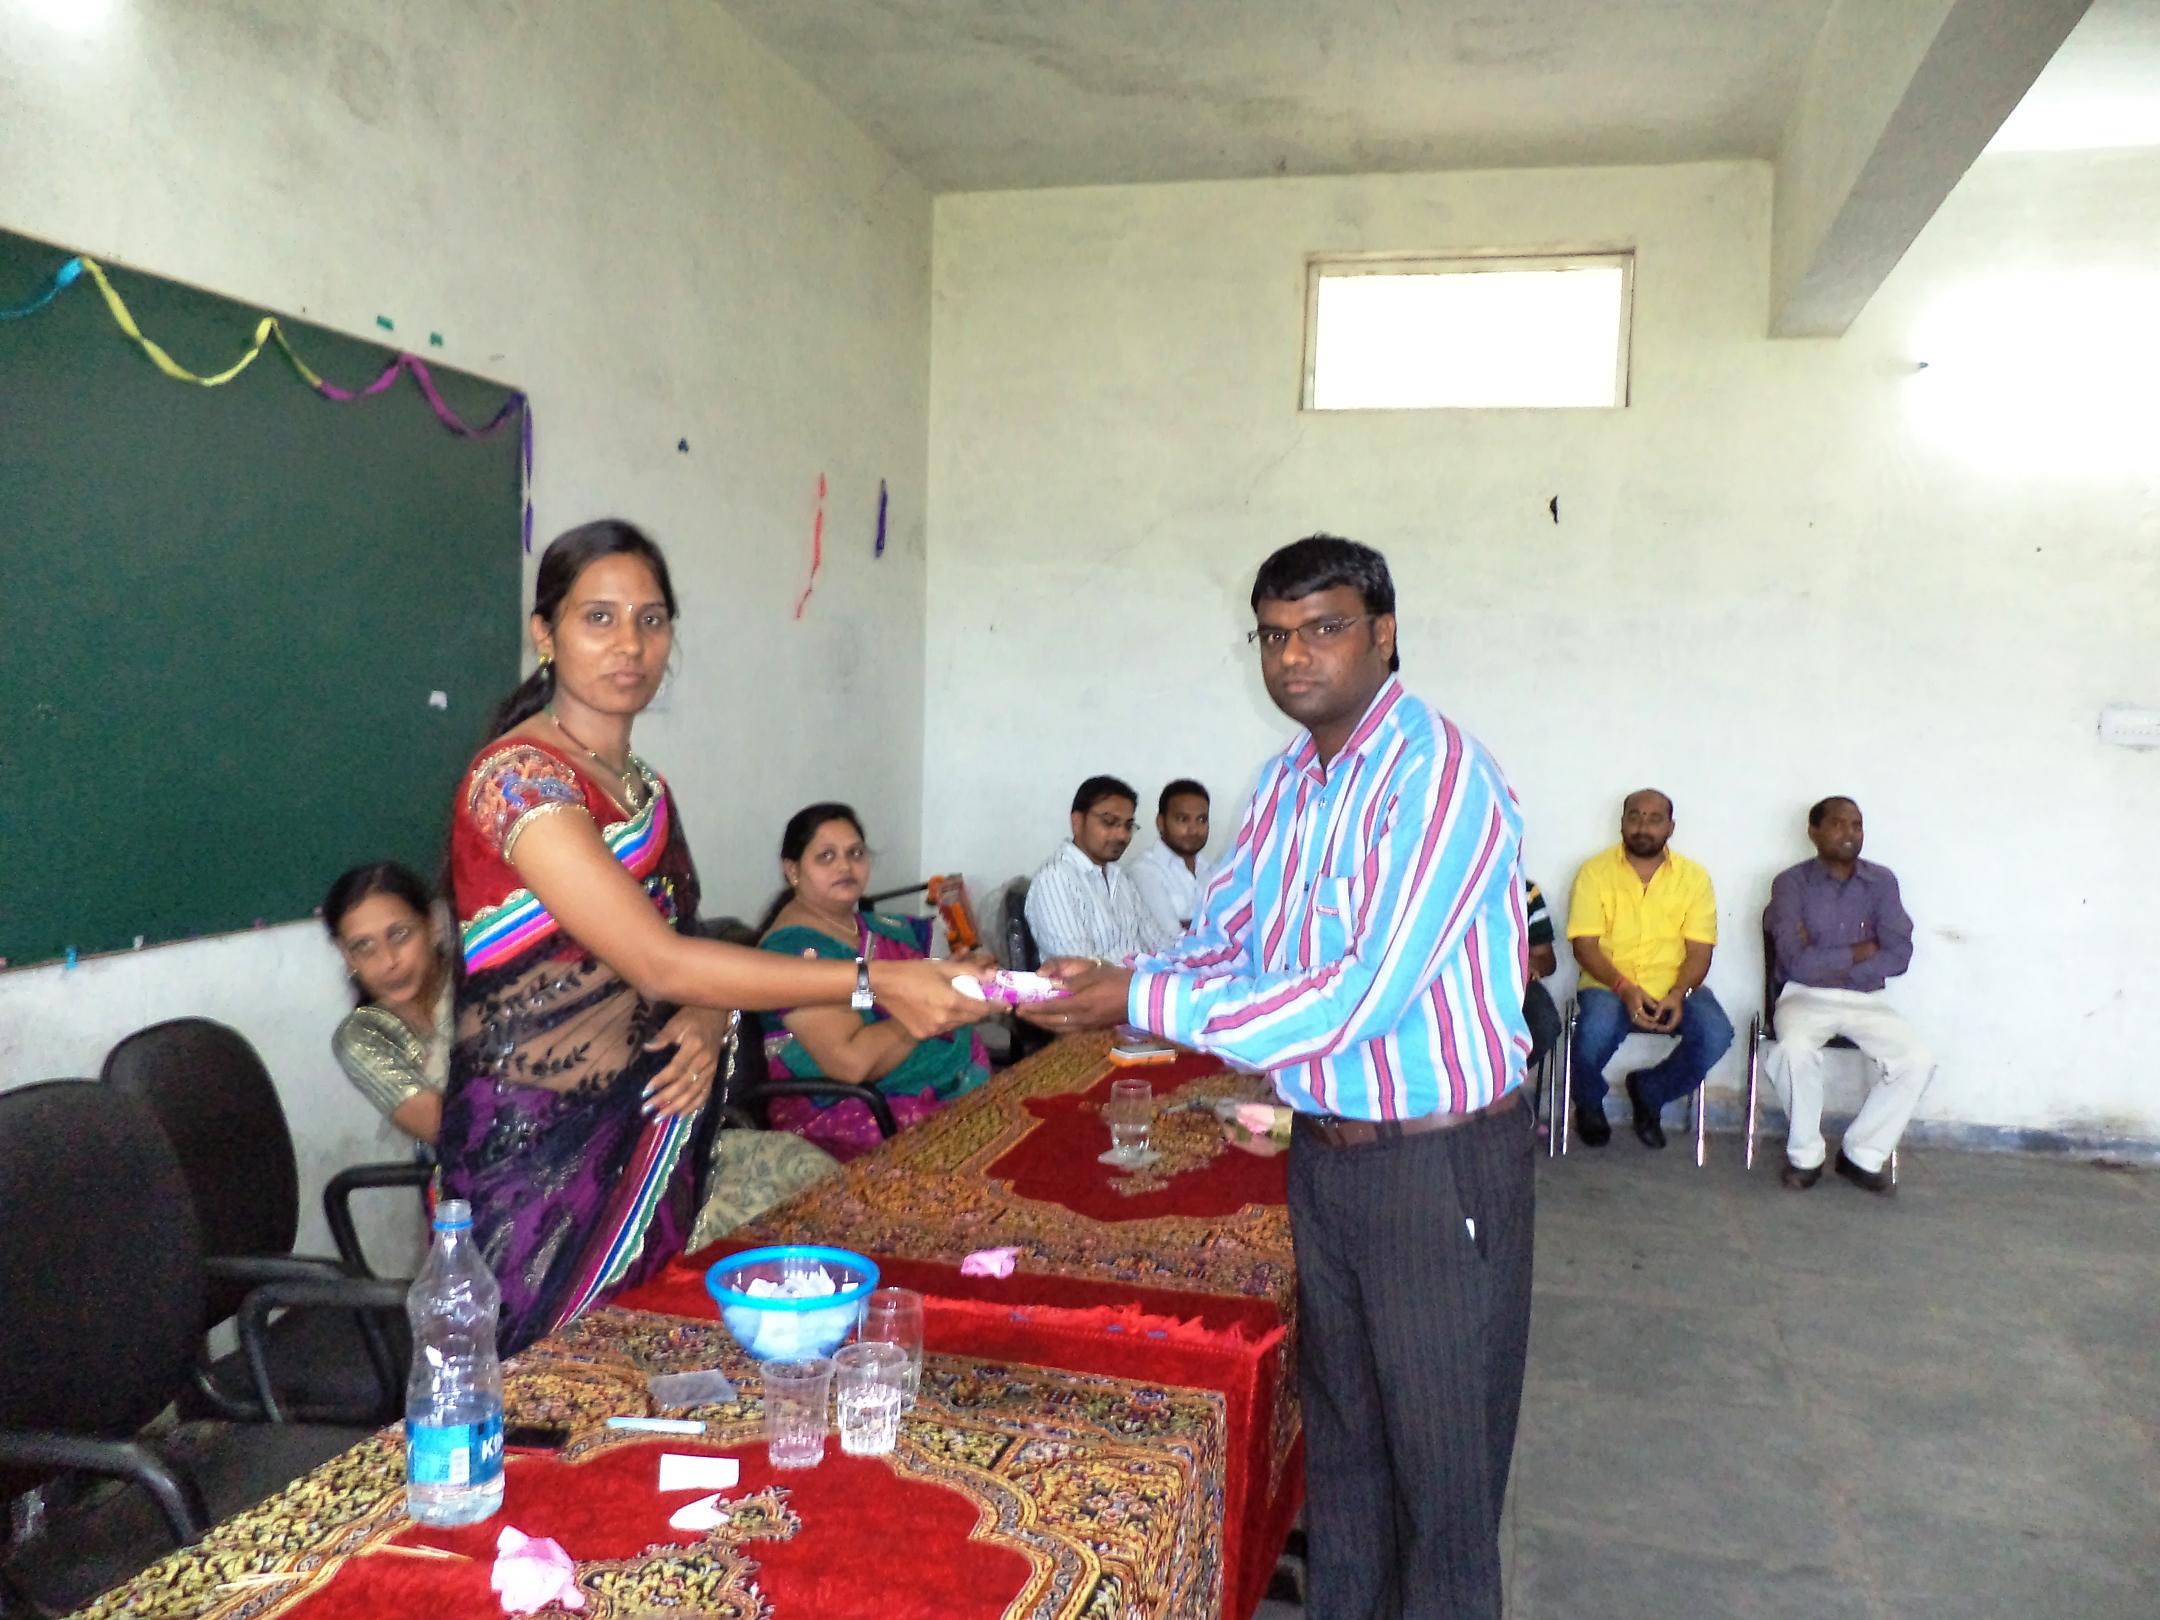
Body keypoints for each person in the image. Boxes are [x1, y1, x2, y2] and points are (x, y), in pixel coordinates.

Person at [1025, 535, 1534, 1620]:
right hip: (1330, 1157)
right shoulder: (1288, 784)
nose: (1293, 655)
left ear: (1383, 635)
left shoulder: (1437, 776)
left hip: (1436, 1165)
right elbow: (1225, 943)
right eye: (1272, 635)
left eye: (1323, 629)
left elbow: (1361, 997)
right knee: (1344, 1459)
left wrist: (1138, 998)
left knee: (1442, 1486)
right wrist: (1116, 982)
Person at [439, 520, 982, 1354]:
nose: (631, 644)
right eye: (599, 618)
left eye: (651, 620)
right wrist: (874, 980)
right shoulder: (516, 781)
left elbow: (680, 949)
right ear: (545, 634)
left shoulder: (645, 790)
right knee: (535, 1375)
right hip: (537, 1147)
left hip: (654, 1118)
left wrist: (708, 1015)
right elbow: (658, 961)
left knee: (633, 1357)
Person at [756, 802, 994, 1161]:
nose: (845, 866)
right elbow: (851, 1063)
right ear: (793, 870)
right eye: (826, 856)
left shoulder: (875, 928)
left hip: (932, 1082)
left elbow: (870, 994)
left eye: (855, 853)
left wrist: (960, 971)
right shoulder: (794, 950)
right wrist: (930, 1012)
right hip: (848, 1112)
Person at [1765, 796, 1933, 1194]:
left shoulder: (1882, 882)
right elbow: (1796, 962)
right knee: (1792, 1052)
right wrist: (1862, 950)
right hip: (1804, 996)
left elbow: (1899, 955)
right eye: (1838, 824)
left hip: (1866, 999)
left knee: (1916, 1060)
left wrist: (1831, 961)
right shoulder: (1791, 883)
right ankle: (1805, 1157)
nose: (1849, 833)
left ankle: (1861, 1155)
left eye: (1856, 825)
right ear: (1813, 831)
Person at [1565, 790, 1733, 1149]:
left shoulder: (1693, 878)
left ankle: (1650, 1091)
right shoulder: (1594, 872)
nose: (1643, 827)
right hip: (1608, 983)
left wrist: (1679, 993)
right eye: (1635, 816)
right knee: (1594, 1031)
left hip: (1675, 985)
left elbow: (1700, 952)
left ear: (1671, 827)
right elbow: (1584, 946)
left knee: (1717, 1033)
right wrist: (1623, 987)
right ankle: (1589, 1102)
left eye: (1655, 819)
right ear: (1622, 823)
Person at [324, 861, 452, 1146]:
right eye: (364, 946)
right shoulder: (362, 1036)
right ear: (347, 957)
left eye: (400, 935)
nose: (388, 961)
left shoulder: (484, 982)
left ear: (433, 926)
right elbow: (452, 1133)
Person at [1023, 775, 1151, 962]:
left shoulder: (1119, 876)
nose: (1122, 835)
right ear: (1077, 822)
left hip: (1140, 976)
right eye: (1109, 822)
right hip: (1106, 981)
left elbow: (1157, 941)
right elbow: (1079, 967)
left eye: (1128, 826)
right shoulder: (1056, 878)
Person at [1127, 778, 1213, 951]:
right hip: (1168, 966)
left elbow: (1235, 927)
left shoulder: (1214, 870)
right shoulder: (1144, 870)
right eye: (1183, 819)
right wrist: (1212, 927)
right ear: (1160, 823)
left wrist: (1189, 924)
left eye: (1201, 819)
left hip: (1218, 963)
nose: (1193, 830)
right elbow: (1170, 939)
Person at [1522, 878, 1561, 1071]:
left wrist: (1528, 965)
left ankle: (1502, 1082)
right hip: (1448, 981)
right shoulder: (1440, 881)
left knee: (1545, 1026)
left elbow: (1546, 960)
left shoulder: (1525, 890)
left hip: (1511, 980)